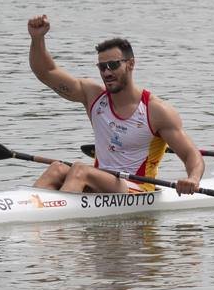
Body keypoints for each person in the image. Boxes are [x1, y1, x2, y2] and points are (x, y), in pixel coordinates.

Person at [27, 15, 204, 194]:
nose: (107, 72)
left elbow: (191, 154)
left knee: (80, 170)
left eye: (113, 65)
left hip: (136, 187)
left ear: (131, 64)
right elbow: (46, 72)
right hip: (99, 178)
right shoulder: (93, 96)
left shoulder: (156, 111)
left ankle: (57, 215)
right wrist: (37, 38)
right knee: (56, 168)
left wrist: (193, 179)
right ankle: (29, 211)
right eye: (102, 67)